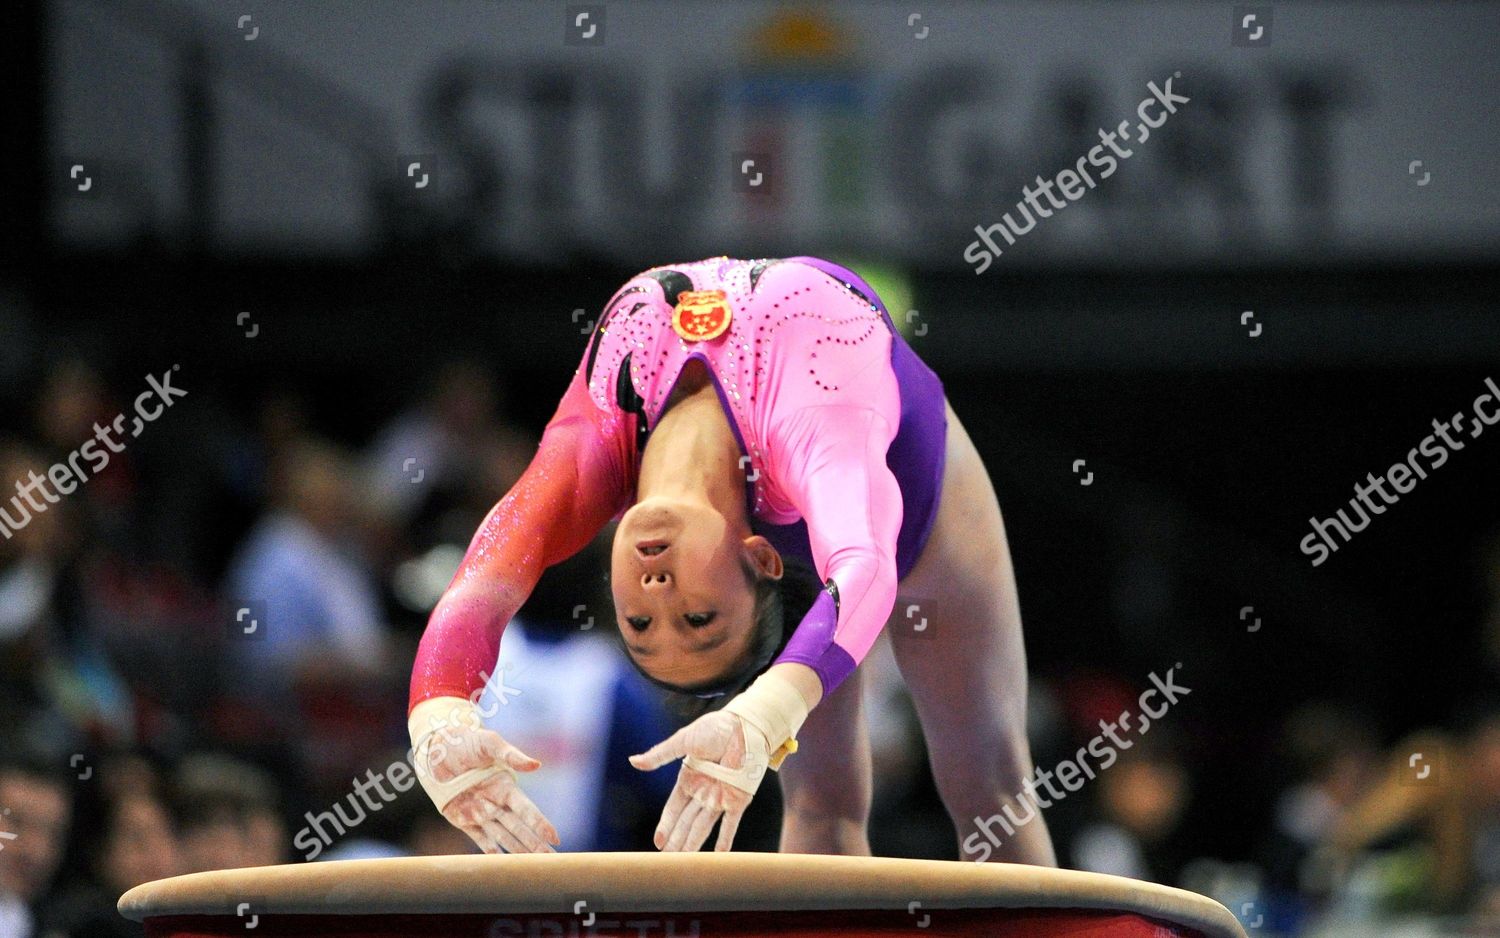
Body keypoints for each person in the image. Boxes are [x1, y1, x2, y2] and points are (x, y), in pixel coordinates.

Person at [406, 256, 1056, 863]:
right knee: (837, 800)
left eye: (640, 625)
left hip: (879, 517)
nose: (659, 594)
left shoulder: (601, 451)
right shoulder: (808, 418)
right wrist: (768, 710)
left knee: (989, 787)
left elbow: (481, 584)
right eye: (698, 618)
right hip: (914, 515)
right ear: (762, 560)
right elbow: (864, 561)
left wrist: (438, 717)